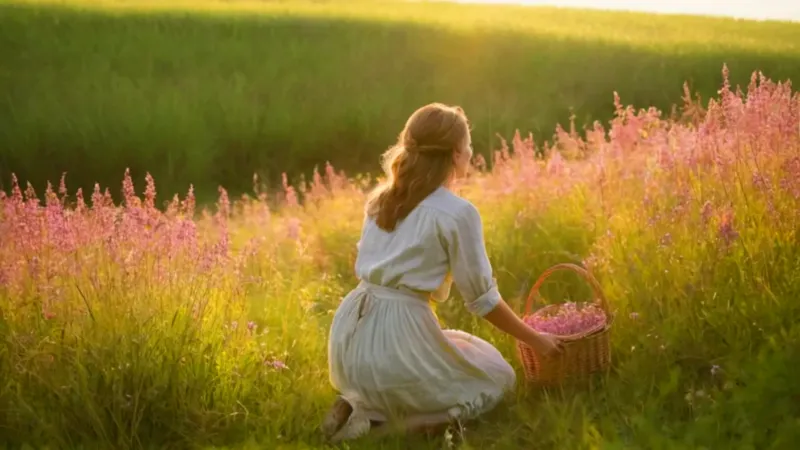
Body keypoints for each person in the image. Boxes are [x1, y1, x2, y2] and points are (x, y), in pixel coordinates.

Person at [322, 103, 564, 443]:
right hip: (395, 335)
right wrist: (538, 341)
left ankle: (360, 404)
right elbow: (483, 301)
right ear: (455, 154)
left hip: (349, 337)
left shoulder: (380, 199)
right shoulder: (458, 213)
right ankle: (384, 431)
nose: (471, 152)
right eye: (468, 145)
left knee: (463, 347)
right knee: (499, 379)